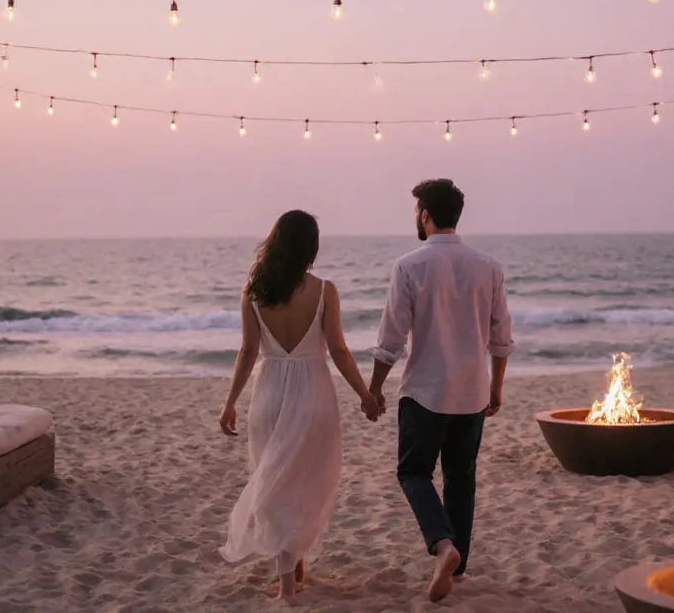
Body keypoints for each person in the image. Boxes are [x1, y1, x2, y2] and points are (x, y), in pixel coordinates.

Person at [218, 210, 380, 603]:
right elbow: (338, 350)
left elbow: (247, 352)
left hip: (270, 391)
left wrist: (230, 403)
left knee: (274, 481)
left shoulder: (253, 293)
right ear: (311, 247)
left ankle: (292, 567)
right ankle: (288, 582)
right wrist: (365, 395)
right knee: (305, 481)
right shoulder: (324, 290)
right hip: (313, 392)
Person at [369, 179, 515, 602]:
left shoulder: (409, 266)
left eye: (416, 210)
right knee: (461, 477)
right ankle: (459, 562)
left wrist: (375, 390)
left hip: (425, 394)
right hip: (472, 393)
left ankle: (443, 545)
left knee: (413, 472)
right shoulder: (489, 266)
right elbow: (501, 336)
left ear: (425, 215)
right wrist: (496, 387)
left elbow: (390, 340)